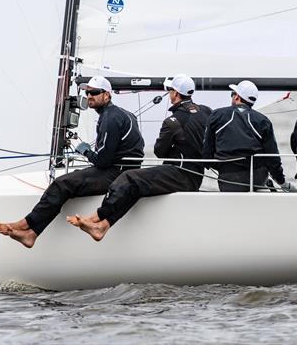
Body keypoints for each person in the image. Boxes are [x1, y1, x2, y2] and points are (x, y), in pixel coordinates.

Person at [0, 76, 144, 247]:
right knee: (69, 180)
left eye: (94, 92)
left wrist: (86, 151)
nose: (90, 96)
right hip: (125, 170)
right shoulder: (124, 114)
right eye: (87, 93)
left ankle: (27, 225)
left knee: (62, 183)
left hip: (116, 173)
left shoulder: (110, 118)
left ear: (107, 95)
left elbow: (103, 161)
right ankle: (31, 234)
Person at [67, 74, 212, 241]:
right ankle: (103, 226)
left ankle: (96, 218)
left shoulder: (172, 121)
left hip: (180, 174)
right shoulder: (206, 111)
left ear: (175, 93)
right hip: (197, 175)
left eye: (169, 90)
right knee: (135, 183)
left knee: (129, 177)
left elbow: (160, 152)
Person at [202, 80, 286, 192]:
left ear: (237, 96)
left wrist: (217, 166)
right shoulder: (263, 120)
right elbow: (272, 157)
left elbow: (207, 151)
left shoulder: (217, 115)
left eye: (232, 93)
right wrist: (282, 182)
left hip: (229, 177)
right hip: (258, 177)